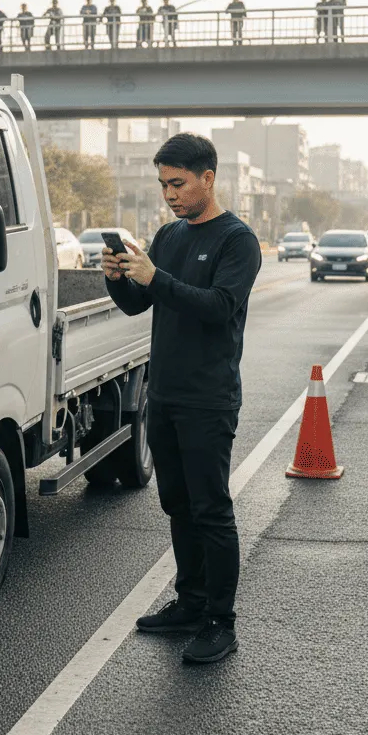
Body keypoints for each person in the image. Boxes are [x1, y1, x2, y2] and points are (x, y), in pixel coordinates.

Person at [102, 132, 262, 664]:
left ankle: (221, 622)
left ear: (207, 178)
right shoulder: (169, 236)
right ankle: (191, 603)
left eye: (178, 183)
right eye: (163, 184)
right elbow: (138, 304)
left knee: (210, 510)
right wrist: (119, 279)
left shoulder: (238, 240)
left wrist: (156, 277)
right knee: (177, 504)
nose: (169, 194)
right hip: (165, 395)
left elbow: (218, 307)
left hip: (209, 399)